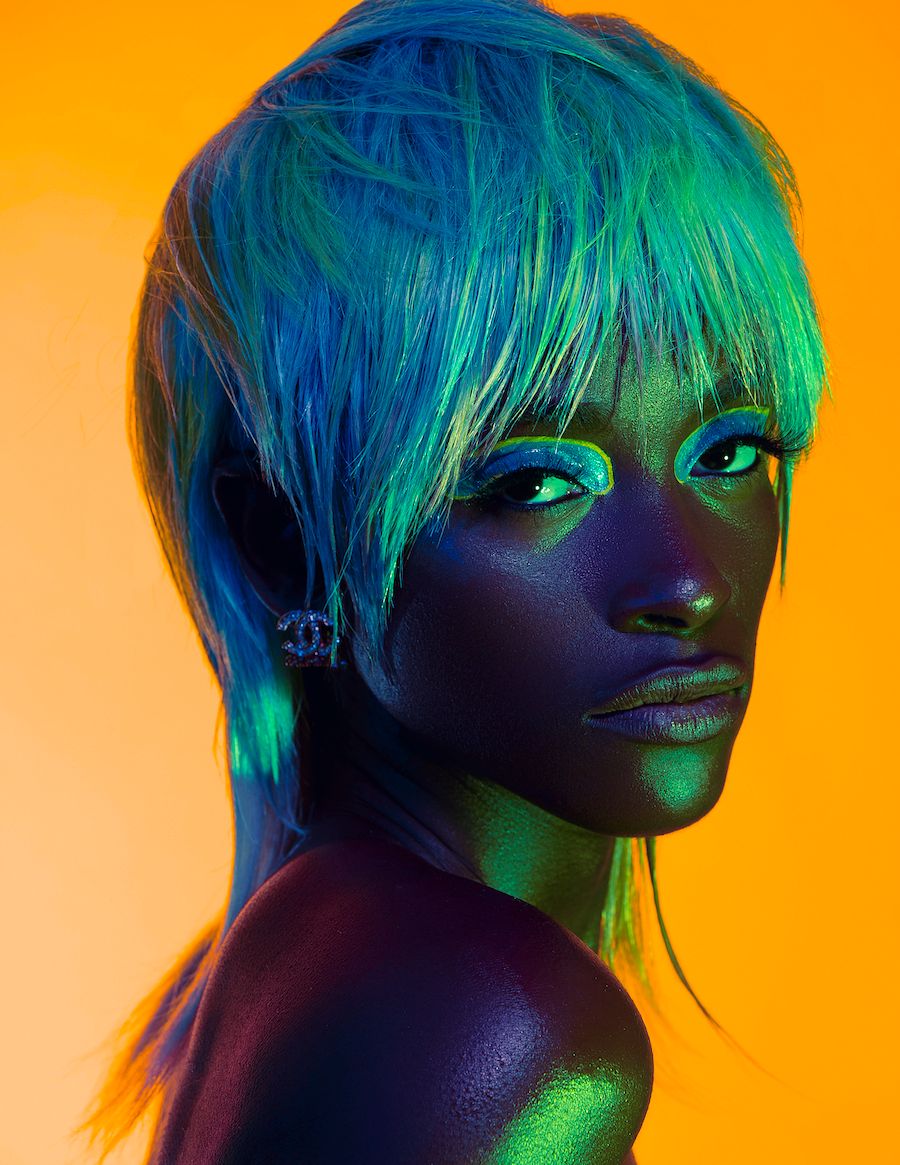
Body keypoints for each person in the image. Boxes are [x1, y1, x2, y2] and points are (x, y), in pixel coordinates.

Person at [79, 0, 827, 1160]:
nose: (687, 581)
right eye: (535, 481)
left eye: (730, 453)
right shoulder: (477, 1022)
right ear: (287, 540)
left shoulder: (332, 961)